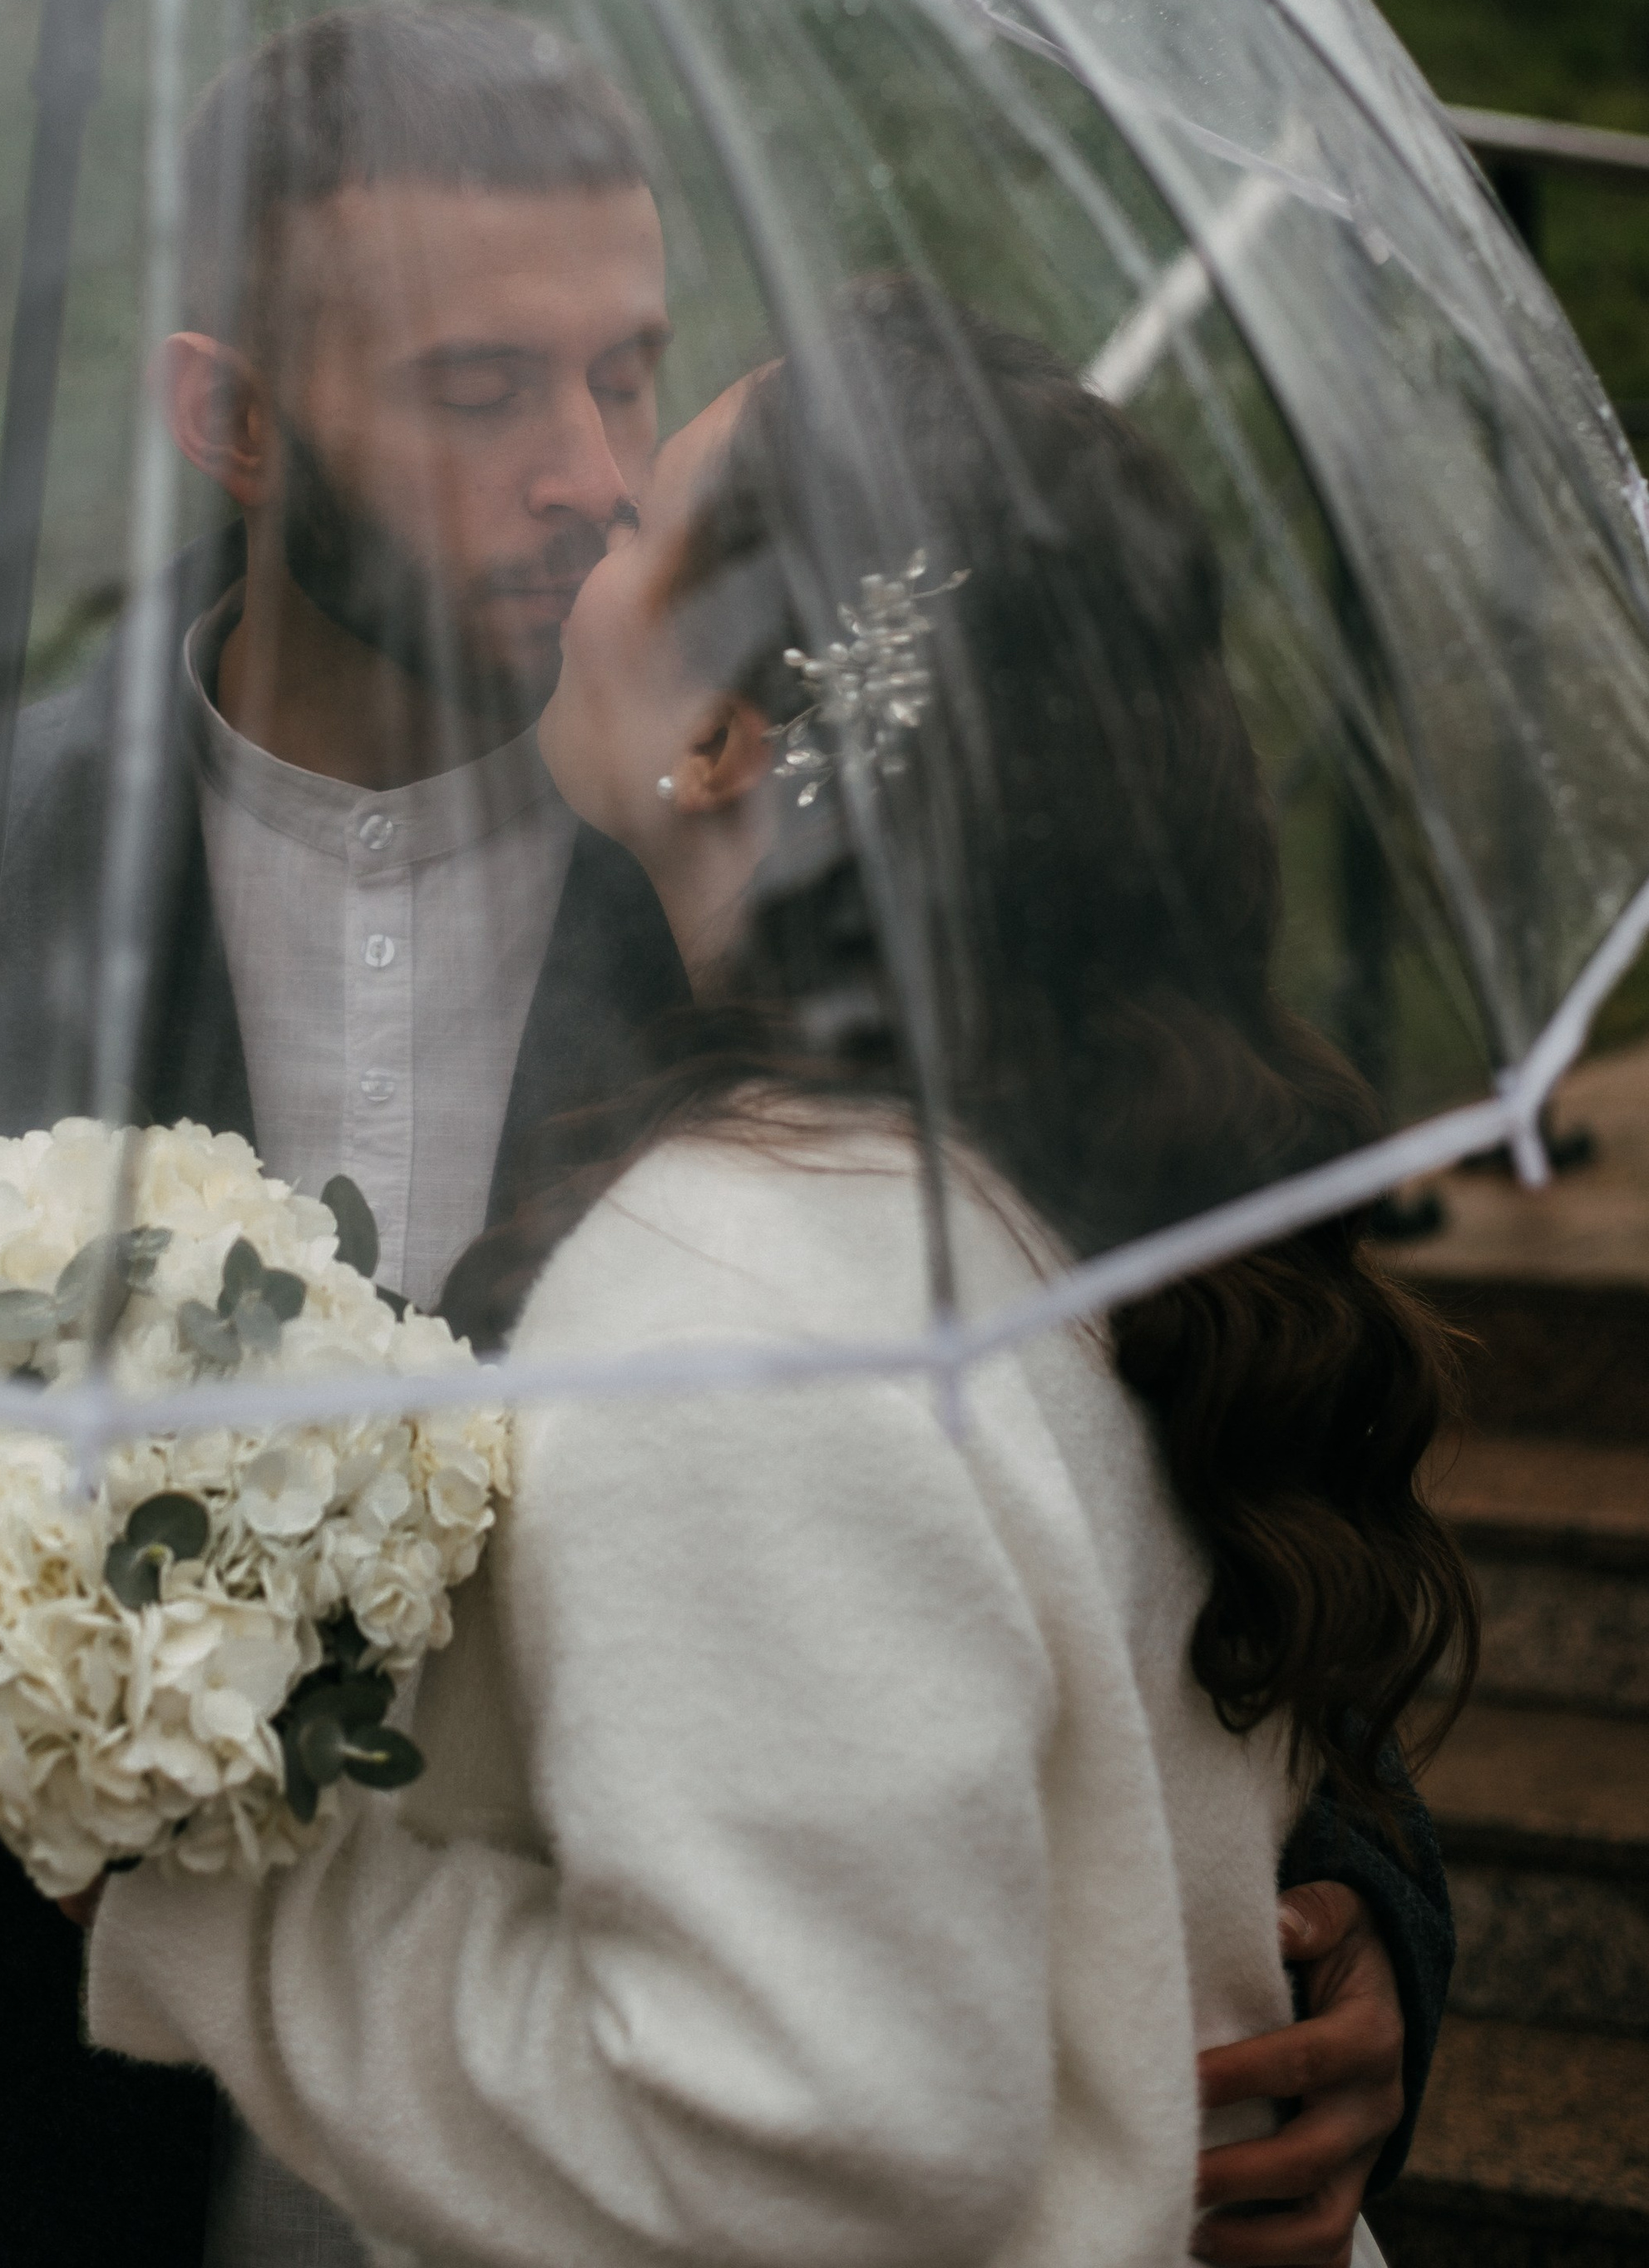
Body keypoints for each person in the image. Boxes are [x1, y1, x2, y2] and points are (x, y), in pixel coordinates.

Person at [0, 13, 1446, 2266]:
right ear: (232, 419)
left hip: (670, 2158)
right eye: (481, 390)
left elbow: (1169, 1436)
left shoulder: (812, 900)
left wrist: (1349, 1936)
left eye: (627, 375)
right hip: (63, 2156)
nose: (587, 472)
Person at [82, 282, 1474, 2268]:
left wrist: (225, 1896)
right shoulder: (1048, 1171)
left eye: (641, 516)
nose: (582, 516)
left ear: (723, 734)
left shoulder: (730, 1309)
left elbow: (804, 2151)